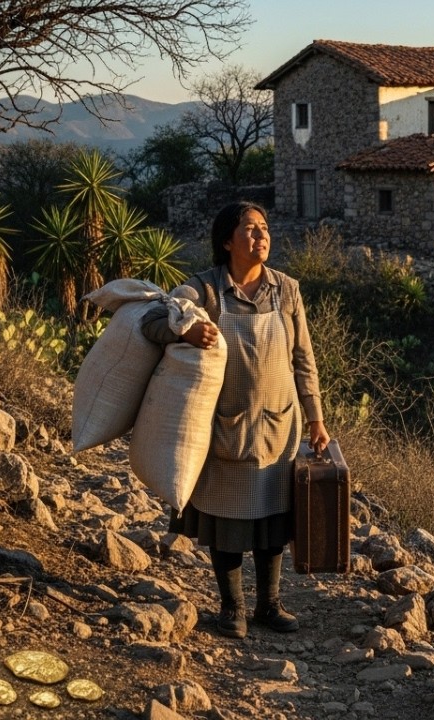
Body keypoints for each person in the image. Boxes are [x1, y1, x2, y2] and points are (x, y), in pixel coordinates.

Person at [140, 201, 330, 639]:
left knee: (272, 518)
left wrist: (315, 417)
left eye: (264, 229)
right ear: (227, 241)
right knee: (228, 519)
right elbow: (152, 319)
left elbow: (304, 358)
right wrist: (184, 330)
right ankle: (233, 609)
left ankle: (270, 604)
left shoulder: (287, 290)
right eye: (249, 229)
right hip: (225, 426)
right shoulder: (204, 291)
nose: (260, 236)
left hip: (280, 425)